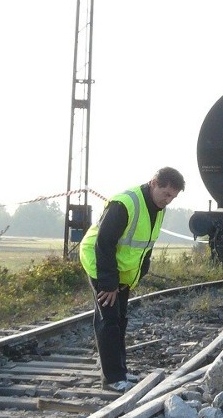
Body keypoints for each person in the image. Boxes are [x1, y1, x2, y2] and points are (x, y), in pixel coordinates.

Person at [79, 167, 186, 391]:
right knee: (108, 320)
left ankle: (120, 372)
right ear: (154, 182)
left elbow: (146, 242)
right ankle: (112, 379)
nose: (168, 200)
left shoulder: (158, 207)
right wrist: (108, 283)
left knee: (120, 319)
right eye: (166, 194)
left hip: (123, 270)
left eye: (173, 197)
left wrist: (140, 271)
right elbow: (104, 243)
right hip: (101, 263)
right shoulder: (124, 204)